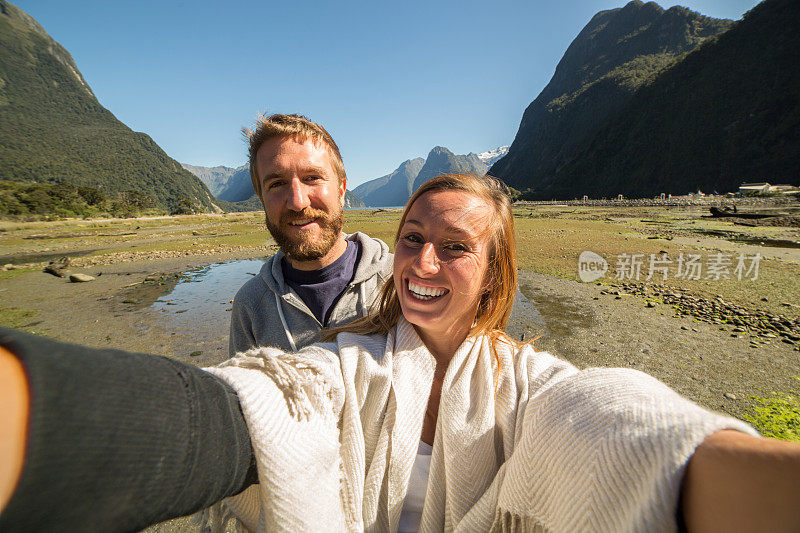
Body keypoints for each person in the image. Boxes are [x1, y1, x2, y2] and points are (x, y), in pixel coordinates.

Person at [1, 174, 799, 532]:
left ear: (495, 273)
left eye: (456, 247)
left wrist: (737, 470)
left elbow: (619, 427)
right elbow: (265, 402)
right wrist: (49, 420)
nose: (421, 263)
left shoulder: (533, 386)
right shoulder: (345, 362)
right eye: (413, 238)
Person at [229, 113, 392, 354]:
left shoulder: (399, 281)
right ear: (262, 198)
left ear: (341, 189)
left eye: (312, 178)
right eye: (276, 184)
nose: (297, 202)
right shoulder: (250, 306)